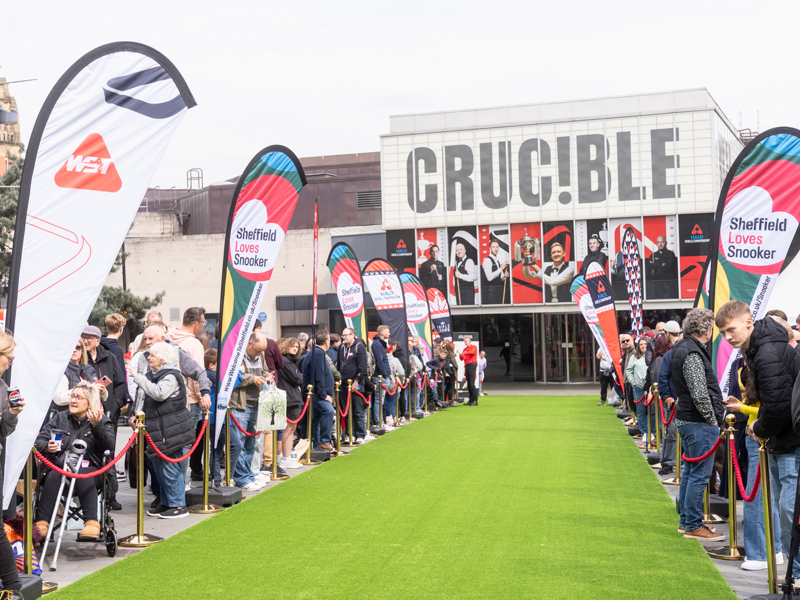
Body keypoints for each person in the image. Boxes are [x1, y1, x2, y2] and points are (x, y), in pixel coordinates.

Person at [717, 300, 800, 574]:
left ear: (749, 322)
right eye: (724, 333)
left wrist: (757, 428)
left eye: (731, 330)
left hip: (790, 441)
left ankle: (796, 573)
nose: (728, 337)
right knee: (783, 510)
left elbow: (777, 408)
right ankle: (794, 574)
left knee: (789, 512)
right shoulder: (758, 349)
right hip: (781, 441)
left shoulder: (765, 353)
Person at [724, 358, 785, 571]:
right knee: (765, 497)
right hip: (757, 435)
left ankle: (761, 552)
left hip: (762, 437)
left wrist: (741, 407)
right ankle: (772, 549)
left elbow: (772, 411)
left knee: (758, 497)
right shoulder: (754, 365)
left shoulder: (768, 366)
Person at [670, 308, 725, 541]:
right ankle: (692, 525)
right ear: (707, 329)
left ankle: (687, 523)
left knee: (692, 473)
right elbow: (700, 393)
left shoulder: (683, 348)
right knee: (698, 475)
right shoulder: (691, 352)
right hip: (697, 421)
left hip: (690, 419)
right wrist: (712, 419)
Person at [35, 382, 115, 539]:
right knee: (54, 474)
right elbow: (40, 440)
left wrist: (96, 425)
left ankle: (92, 523)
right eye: (72, 396)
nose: (73, 400)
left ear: (89, 402)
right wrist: (46, 447)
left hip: (92, 470)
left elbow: (109, 446)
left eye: (79, 397)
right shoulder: (61, 417)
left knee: (83, 474)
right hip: (62, 467)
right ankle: (42, 523)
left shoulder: (102, 419)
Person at [128, 342, 195, 519]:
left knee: (170, 468)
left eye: (152, 355)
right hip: (161, 430)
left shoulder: (171, 376)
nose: (148, 357)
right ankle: (166, 502)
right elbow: (146, 397)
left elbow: (159, 393)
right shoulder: (158, 374)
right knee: (160, 469)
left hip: (170, 430)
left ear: (162, 358)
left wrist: (139, 378)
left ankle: (178, 505)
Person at [228, 330, 271, 491]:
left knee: (251, 443)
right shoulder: (237, 354)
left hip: (257, 403)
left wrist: (267, 378)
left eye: (262, 351)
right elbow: (231, 377)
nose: (259, 354)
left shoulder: (260, 354)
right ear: (249, 343)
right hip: (240, 404)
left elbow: (265, 371)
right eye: (258, 350)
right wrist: (252, 379)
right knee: (239, 443)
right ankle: (241, 478)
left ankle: (249, 474)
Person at [0, 331, 24, 598]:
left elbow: (4, 431)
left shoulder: (3, 388)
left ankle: (12, 588)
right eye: (9, 356)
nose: (11, 361)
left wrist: (11, 414)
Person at [51, 340, 108, 420]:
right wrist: (85, 391)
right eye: (71, 347)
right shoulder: (61, 371)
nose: (74, 350)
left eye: (77, 347)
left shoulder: (89, 369)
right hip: (70, 420)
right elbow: (58, 398)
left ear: (82, 350)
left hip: (94, 418)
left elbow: (103, 398)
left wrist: (103, 392)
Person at [82, 326, 127, 427]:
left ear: (98, 341)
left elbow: (120, 383)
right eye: (83, 338)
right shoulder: (80, 358)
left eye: (89, 338)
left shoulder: (110, 357)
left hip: (108, 413)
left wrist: (113, 406)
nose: (85, 341)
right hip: (85, 413)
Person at [302, 330, 335, 451]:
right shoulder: (318, 353)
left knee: (317, 418)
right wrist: (323, 395)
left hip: (315, 392)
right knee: (328, 411)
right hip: (316, 393)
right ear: (327, 342)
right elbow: (319, 375)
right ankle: (323, 441)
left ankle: (317, 445)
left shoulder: (315, 352)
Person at [656, 320, 682, 475]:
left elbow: (662, 377)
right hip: (676, 401)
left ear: (667, 333)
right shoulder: (671, 354)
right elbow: (663, 377)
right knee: (672, 432)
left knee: (672, 433)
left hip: (679, 400)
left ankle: (670, 462)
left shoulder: (671, 354)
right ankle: (668, 462)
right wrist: (667, 396)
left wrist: (666, 396)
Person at [276, 338, 304, 469]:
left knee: (289, 429)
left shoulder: (289, 361)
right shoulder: (285, 361)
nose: (295, 349)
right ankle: (285, 458)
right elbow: (296, 378)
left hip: (291, 397)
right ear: (286, 346)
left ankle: (285, 457)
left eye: (297, 347)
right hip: (289, 398)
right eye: (292, 346)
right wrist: (300, 376)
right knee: (288, 429)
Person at [337, 328, 369, 444]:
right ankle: (347, 434)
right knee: (345, 410)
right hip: (343, 384)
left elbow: (363, 367)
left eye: (346, 335)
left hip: (356, 383)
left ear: (352, 335)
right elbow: (339, 365)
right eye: (343, 335)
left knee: (357, 410)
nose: (344, 337)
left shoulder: (359, 346)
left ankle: (360, 434)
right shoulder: (341, 347)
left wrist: (357, 381)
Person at [627, 337, 650, 444]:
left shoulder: (652, 356)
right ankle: (644, 432)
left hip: (650, 388)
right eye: (641, 344)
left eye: (645, 344)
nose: (643, 346)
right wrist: (633, 382)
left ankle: (652, 432)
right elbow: (629, 370)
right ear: (638, 346)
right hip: (638, 387)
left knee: (652, 411)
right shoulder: (634, 357)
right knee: (640, 411)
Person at [371, 325, 391, 425]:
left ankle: (381, 422)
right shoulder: (377, 344)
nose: (389, 333)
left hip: (381, 375)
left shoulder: (378, 344)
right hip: (380, 376)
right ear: (382, 333)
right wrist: (385, 374)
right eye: (387, 331)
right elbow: (379, 361)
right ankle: (380, 423)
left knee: (380, 401)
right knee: (379, 401)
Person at [481, 239, 510, 304]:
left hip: (499, 291)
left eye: (497, 247)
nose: (495, 249)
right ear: (490, 248)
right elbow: (489, 278)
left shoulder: (498, 260)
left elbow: (500, 277)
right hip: (491, 293)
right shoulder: (487, 261)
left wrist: (504, 276)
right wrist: (501, 268)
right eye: (493, 247)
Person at [460, 336, 478, 406]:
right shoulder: (465, 349)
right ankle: (471, 399)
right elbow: (462, 358)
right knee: (469, 383)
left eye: (466, 341)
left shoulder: (474, 347)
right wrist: (460, 354)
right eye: (465, 341)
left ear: (470, 341)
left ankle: (475, 400)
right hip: (467, 365)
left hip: (472, 365)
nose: (466, 343)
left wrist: (463, 353)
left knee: (471, 383)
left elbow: (472, 352)